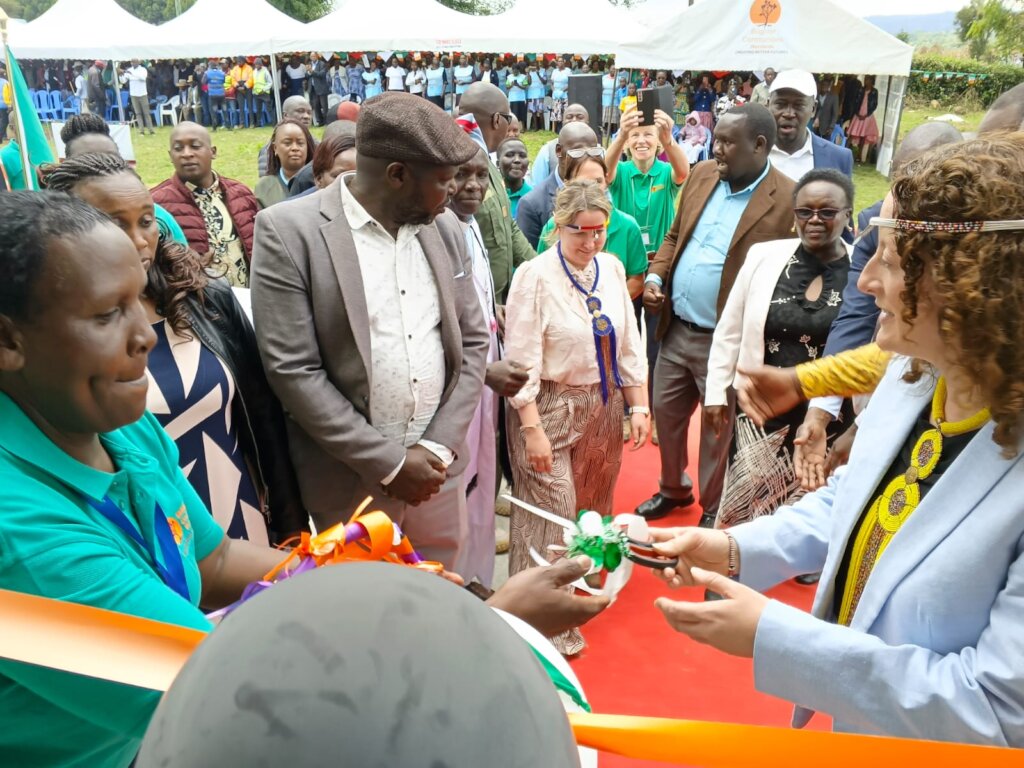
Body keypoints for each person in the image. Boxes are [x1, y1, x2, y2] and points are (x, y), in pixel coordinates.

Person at [0, 191, 609, 765]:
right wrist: (490, 624)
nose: (143, 334)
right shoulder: (22, 533)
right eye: (108, 314)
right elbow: (231, 696)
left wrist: (391, 587)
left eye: (139, 299)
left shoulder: (118, 429)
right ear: (9, 340)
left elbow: (213, 560)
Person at [650, 133, 1024, 748]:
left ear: (970, 288)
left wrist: (776, 638)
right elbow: (847, 499)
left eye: (891, 261)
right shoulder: (913, 378)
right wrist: (734, 548)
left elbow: (998, 712)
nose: (866, 280)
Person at [250, 93, 488, 570]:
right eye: (444, 181)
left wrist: (436, 447)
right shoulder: (288, 232)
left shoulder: (444, 228)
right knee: (367, 606)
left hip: (438, 476)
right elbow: (293, 370)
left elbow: (473, 341)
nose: (453, 194)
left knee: (442, 595)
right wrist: (391, 463)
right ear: (397, 175)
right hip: (351, 484)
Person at [42, 152, 307, 545]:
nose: (138, 240)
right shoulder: (48, 337)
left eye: (146, 220)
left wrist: (290, 524)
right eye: (114, 224)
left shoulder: (206, 298)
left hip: (243, 514)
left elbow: (263, 416)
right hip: (145, 541)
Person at [505, 180, 649, 655]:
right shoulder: (534, 276)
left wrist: (639, 404)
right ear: (557, 227)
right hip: (547, 405)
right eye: (579, 232)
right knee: (553, 512)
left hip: (603, 403)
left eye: (598, 231)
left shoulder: (611, 268)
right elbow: (521, 360)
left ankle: (575, 586)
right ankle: (538, 623)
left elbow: (629, 344)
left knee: (592, 504)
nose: (590, 242)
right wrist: (531, 429)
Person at [635, 105, 796, 526]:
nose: (716, 149)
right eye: (716, 139)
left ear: (759, 145)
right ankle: (673, 488)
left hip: (725, 342)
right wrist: (655, 278)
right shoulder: (703, 174)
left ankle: (712, 507)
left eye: (727, 142)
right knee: (666, 414)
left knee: (716, 429)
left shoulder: (787, 198)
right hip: (676, 329)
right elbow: (674, 236)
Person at [704, 169, 855, 511]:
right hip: (761, 414)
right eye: (805, 211)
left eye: (827, 211)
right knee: (746, 509)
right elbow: (729, 330)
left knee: (812, 514)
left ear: (848, 214)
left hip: (829, 420)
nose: (814, 219)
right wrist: (716, 392)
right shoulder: (763, 257)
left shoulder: (860, 270)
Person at [448, 146, 529, 585]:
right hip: (460, 387)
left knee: (482, 482)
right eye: (462, 175)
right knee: (458, 490)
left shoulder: (471, 225)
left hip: (486, 378)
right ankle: (458, 582)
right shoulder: (437, 232)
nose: (473, 186)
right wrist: (483, 371)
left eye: (482, 176)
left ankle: (477, 579)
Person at [457, 82, 537, 305]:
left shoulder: (488, 163)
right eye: (508, 118)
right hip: (474, 302)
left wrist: (537, 267)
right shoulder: (458, 168)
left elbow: (507, 225)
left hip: (498, 298)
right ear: (496, 120)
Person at [151, 122, 259, 287]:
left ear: (213, 152)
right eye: (178, 148)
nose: (187, 154)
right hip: (194, 297)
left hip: (248, 296)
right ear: (170, 156)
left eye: (195, 146)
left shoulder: (241, 194)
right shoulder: (157, 204)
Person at [59, 113, 187, 247]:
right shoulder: (59, 225)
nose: (101, 168)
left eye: (110, 159)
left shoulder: (159, 218)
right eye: (86, 162)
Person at [536, 153, 647, 300]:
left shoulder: (628, 226)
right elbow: (542, 275)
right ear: (567, 184)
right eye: (584, 182)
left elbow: (637, 279)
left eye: (598, 181)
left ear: (607, 181)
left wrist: (607, 304)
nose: (592, 189)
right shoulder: (553, 226)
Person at [516, 122, 599, 250]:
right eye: (577, 152)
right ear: (558, 151)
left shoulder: (601, 191)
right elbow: (529, 257)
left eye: (593, 152)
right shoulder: (532, 204)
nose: (587, 158)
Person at [768, 69, 853, 182]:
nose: (788, 113)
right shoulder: (747, 154)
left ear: (813, 109)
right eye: (780, 104)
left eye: (798, 105)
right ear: (768, 104)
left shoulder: (839, 158)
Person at [254, 118, 316, 209]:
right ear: (275, 148)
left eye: (300, 143)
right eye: (287, 143)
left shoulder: (319, 181)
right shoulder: (264, 186)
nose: (295, 148)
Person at [530, 103, 589, 185]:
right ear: (562, 122)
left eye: (580, 117)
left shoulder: (598, 151)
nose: (574, 120)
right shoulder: (548, 151)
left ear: (587, 122)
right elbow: (537, 185)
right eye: (569, 117)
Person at [257, 95, 313, 177]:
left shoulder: (318, 145)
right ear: (286, 115)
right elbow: (266, 179)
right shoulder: (268, 150)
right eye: (300, 111)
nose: (306, 116)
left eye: (309, 112)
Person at [847, 75, 879, 164]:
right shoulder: (860, 90)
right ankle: (846, 152)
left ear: (872, 81)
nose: (865, 81)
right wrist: (857, 113)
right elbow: (855, 101)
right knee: (852, 134)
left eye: (868, 80)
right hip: (858, 114)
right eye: (865, 79)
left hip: (867, 116)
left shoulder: (874, 91)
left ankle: (860, 156)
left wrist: (866, 115)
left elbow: (875, 104)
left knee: (864, 137)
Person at [119, 59, 155, 136]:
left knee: (146, 113)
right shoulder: (129, 70)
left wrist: (132, 74)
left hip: (142, 94)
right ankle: (141, 131)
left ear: (138, 62)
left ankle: (151, 130)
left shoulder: (143, 70)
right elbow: (123, 81)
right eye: (131, 62)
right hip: (133, 94)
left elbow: (143, 78)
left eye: (134, 62)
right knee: (138, 113)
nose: (133, 63)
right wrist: (121, 75)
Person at [498, 137, 531, 218]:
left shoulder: (535, 197)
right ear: (498, 164)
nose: (517, 160)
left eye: (522, 156)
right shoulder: (490, 196)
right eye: (510, 155)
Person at [202, 60, 228, 131]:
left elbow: (203, 82)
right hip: (221, 94)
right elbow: (224, 81)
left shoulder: (207, 73)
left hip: (212, 94)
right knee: (224, 110)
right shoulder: (222, 73)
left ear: (210, 66)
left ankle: (214, 127)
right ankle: (228, 126)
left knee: (214, 111)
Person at [250, 57, 275, 127]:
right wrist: (254, 91)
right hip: (256, 93)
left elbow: (270, 82)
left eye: (258, 64)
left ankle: (274, 123)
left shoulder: (265, 71)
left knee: (269, 109)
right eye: (255, 64)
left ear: (261, 64)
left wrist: (263, 89)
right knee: (258, 109)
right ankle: (258, 123)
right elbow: (253, 82)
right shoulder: (254, 72)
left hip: (264, 93)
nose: (257, 66)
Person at [230, 56, 254, 128]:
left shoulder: (249, 68)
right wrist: (237, 86)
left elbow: (251, 79)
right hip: (238, 88)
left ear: (244, 61)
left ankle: (252, 123)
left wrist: (245, 86)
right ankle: (242, 123)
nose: (239, 63)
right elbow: (232, 79)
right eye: (238, 62)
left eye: (240, 61)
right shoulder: (235, 69)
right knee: (241, 107)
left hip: (247, 87)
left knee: (250, 106)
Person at [307, 52, 331, 125]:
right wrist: (308, 72)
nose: (313, 58)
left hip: (321, 88)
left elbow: (322, 74)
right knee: (316, 105)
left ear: (317, 56)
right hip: (313, 88)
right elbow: (306, 75)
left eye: (314, 56)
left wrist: (312, 71)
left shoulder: (322, 64)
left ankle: (327, 121)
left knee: (324, 106)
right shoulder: (309, 64)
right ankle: (320, 121)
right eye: (311, 56)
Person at [549, 58, 571, 133]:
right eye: (559, 61)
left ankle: (565, 129)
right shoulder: (554, 71)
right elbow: (551, 83)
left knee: (564, 111)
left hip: (564, 94)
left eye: (561, 61)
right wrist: (553, 90)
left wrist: (563, 90)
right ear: (557, 63)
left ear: (564, 62)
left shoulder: (568, 71)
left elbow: (571, 82)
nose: (560, 63)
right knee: (555, 111)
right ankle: (554, 130)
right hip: (556, 94)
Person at [814, 75, 839, 140]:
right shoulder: (816, 95)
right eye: (823, 85)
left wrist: (831, 127)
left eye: (826, 85)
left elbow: (835, 114)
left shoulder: (833, 97)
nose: (824, 86)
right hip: (815, 125)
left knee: (825, 143)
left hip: (826, 126)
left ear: (828, 86)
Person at [526, 62, 547, 132]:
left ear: (538, 66)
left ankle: (543, 128)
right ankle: (536, 128)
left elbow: (545, 82)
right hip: (531, 94)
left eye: (535, 66)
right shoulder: (529, 72)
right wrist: (528, 73)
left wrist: (538, 74)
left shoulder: (543, 71)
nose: (533, 67)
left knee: (540, 111)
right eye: (532, 66)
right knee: (533, 111)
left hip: (540, 94)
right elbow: (529, 83)